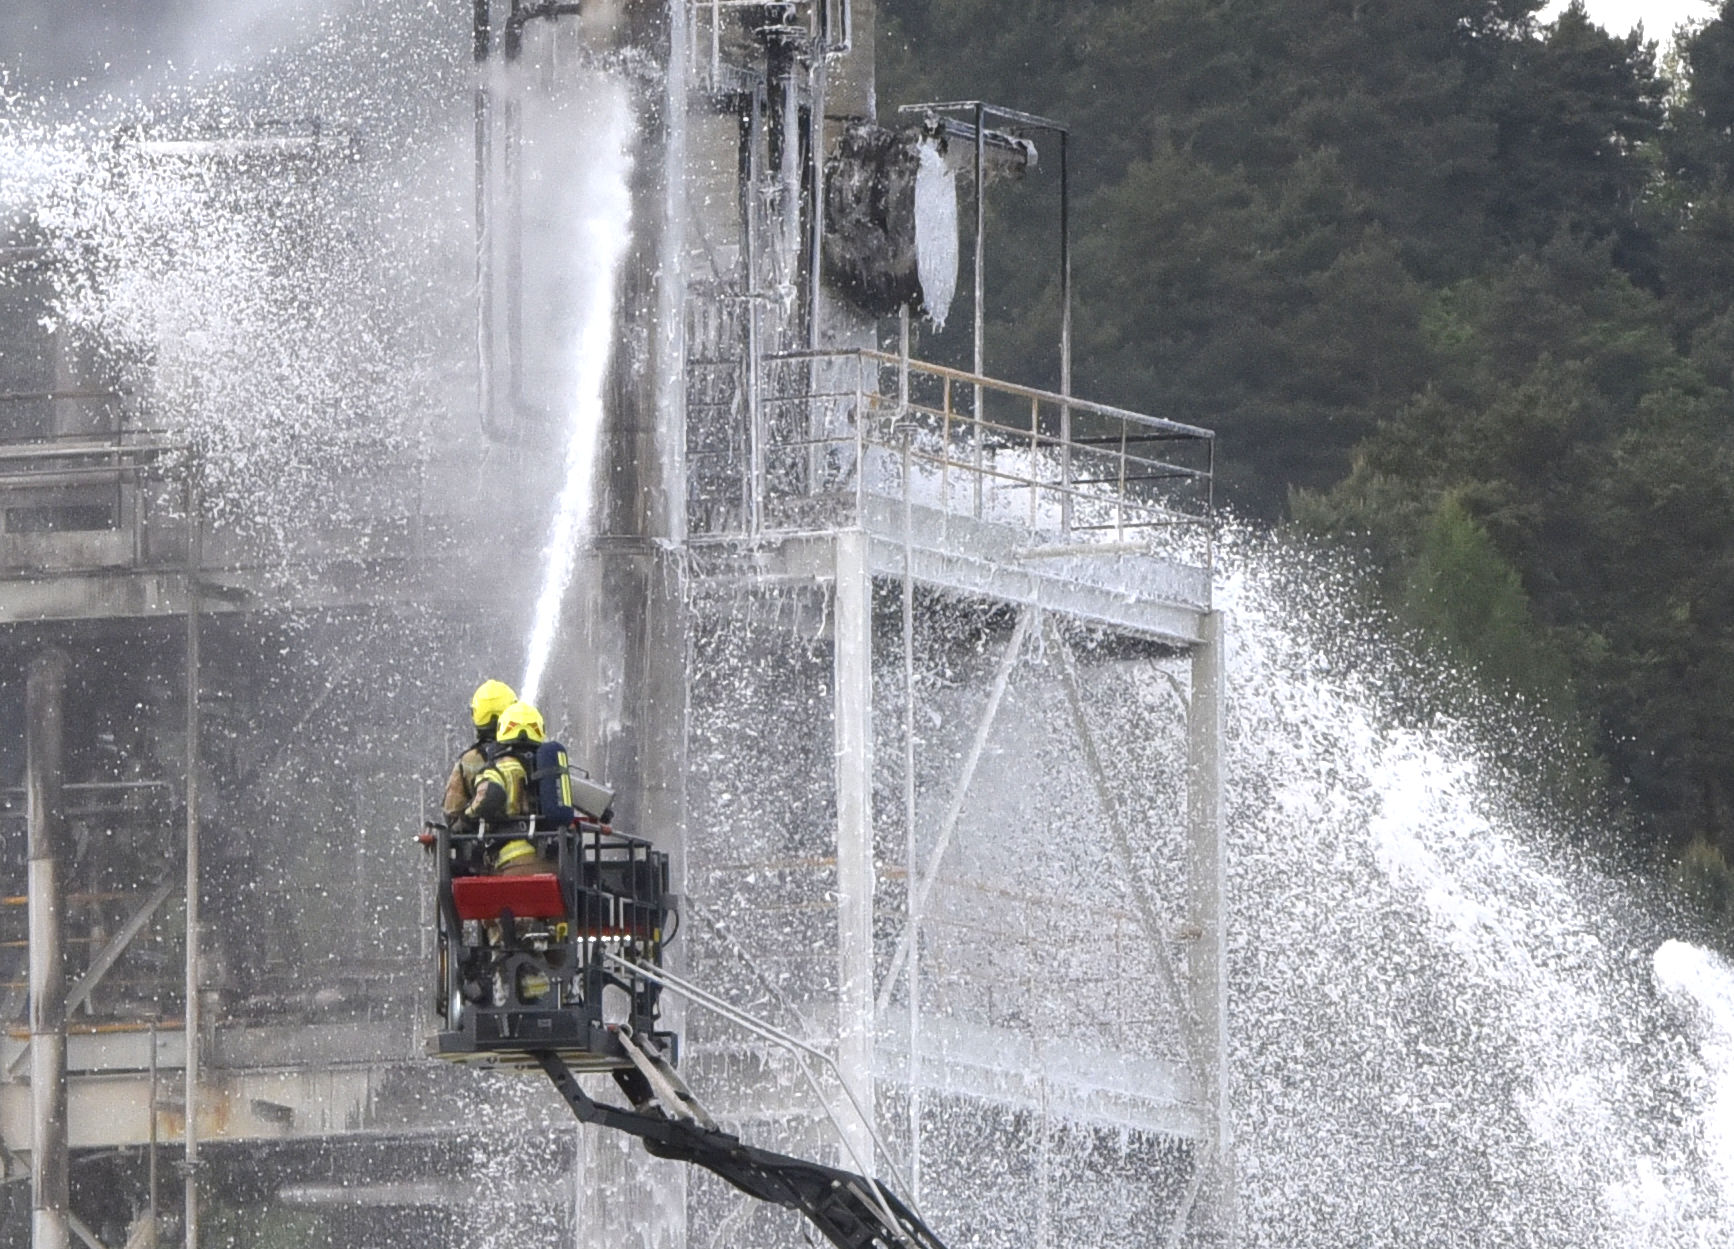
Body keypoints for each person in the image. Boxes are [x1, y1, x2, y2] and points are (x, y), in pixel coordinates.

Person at [465, 699, 546, 875]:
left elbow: (490, 797)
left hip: (512, 864)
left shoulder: (499, 768)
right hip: (555, 864)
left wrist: (469, 812)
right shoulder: (551, 769)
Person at [443, 678, 517, 831]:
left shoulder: (469, 760)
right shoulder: (531, 755)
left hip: (484, 849)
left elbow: (452, 811)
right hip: (535, 844)